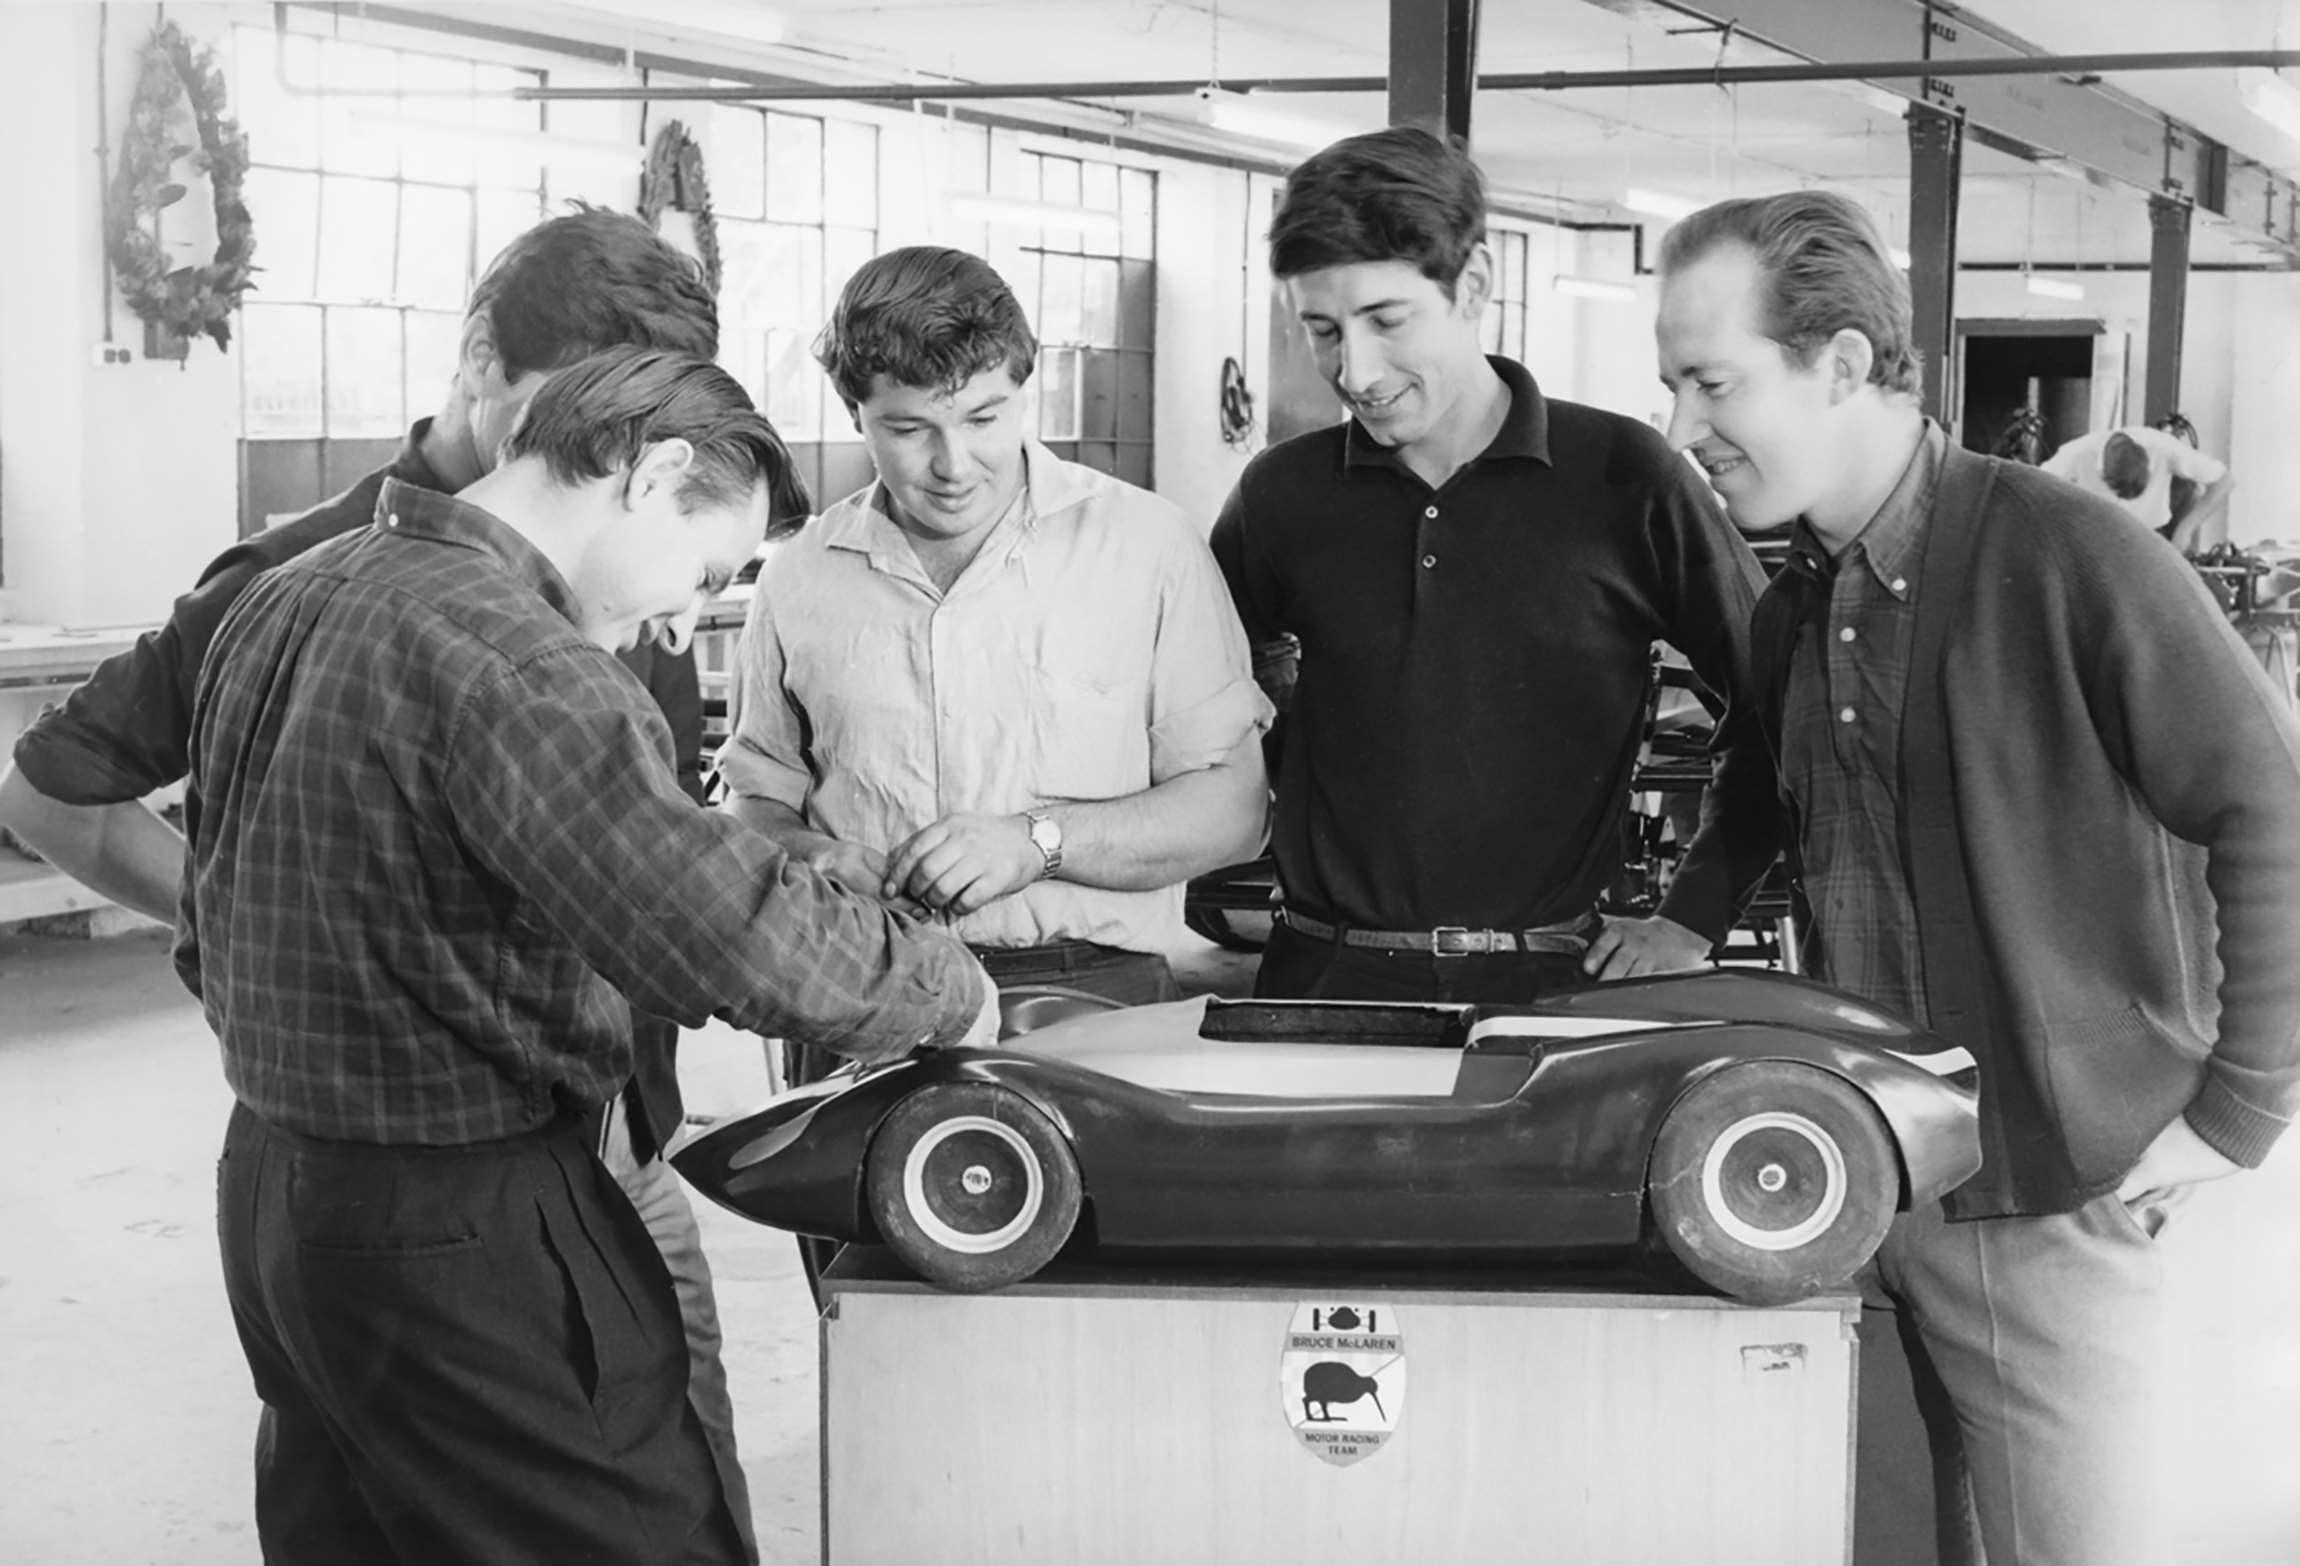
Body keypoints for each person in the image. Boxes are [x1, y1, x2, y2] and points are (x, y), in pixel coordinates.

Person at [0, 207, 768, 1558]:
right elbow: (48, 788)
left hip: (606, 1130)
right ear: (480, 359)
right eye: (569, 406)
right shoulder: (303, 571)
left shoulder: (627, 543)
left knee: (661, 1465)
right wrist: (275, 923)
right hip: (437, 1168)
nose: (605, 449)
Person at [184, 346, 1000, 1564]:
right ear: (653, 471)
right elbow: (717, 931)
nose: (682, 616)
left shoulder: (287, 594)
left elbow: (209, 934)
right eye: (704, 569)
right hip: (466, 1224)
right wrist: (945, 991)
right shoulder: (520, 661)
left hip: (276, 1198)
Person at [1653, 189, 2300, 1566]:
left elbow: (2272, 802)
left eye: (1712, 382)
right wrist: (1682, 916)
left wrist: (2239, 1110)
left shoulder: (2068, 555)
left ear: (1838, 362)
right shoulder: (1794, 603)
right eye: (1673, 386)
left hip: (2043, 1188)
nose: (1683, 427)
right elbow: (1770, 788)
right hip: (1850, 1182)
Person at [1208, 126, 1779, 1004]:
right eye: (1323, 331)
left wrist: (1695, 912)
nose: (1355, 372)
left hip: (1554, 989)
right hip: (1320, 985)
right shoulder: (1281, 495)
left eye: (1387, 321)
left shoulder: (1629, 479)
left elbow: (1781, 704)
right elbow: (1193, 711)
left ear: (1473, 286)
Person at [717, 245, 1272, 1012]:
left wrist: (1038, 842)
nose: (954, 464)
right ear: (855, 415)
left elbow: (1235, 814)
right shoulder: (799, 576)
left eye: (983, 418)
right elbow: (751, 805)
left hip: (1098, 988)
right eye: (909, 429)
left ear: (1023, 387)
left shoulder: (1149, 549)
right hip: (857, 984)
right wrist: (815, 856)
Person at [2041, 415, 2233, 552]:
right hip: (2095, 543)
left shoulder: (2162, 447)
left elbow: (2224, 480)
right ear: (2103, 475)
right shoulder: (2075, 453)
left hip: (2153, 539)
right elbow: (2034, 487)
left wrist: (2186, 528)